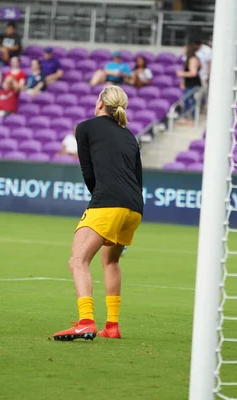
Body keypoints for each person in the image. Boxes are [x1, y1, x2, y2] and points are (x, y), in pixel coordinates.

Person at [52, 85, 143, 341]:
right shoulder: (129, 136)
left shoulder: (85, 127)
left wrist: (100, 199)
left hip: (108, 203)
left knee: (77, 261)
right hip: (134, 207)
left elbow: (88, 173)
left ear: (100, 103)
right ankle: (112, 327)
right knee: (111, 261)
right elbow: (137, 178)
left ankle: (85, 322)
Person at [176, 44, 201, 124]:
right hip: (188, 83)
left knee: (190, 100)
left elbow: (193, 73)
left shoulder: (193, 59)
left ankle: (193, 118)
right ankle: (185, 117)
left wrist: (181, 74)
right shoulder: (189, 59)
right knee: (186, 100)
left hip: (193, 83)